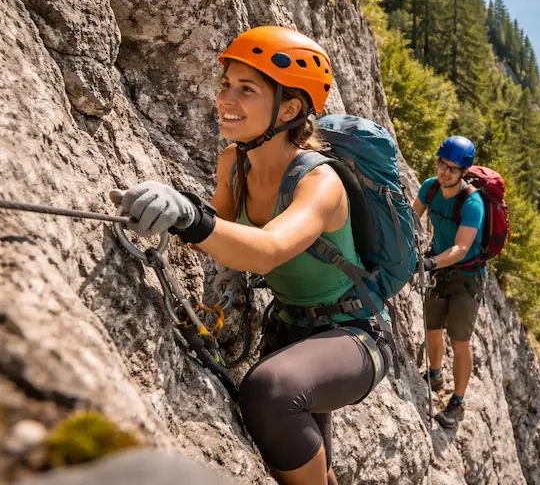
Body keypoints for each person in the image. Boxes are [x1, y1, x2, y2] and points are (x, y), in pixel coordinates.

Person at [111, 26, 391, 485]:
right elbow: (218, 234)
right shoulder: (232, 164)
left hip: (354, 334)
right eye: (226, 85)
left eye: (246, 89)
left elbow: (268, 250)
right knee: (316, 464)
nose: (226, 98)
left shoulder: (319, 183)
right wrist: (177, 209)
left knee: (269, 391)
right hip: (290, 332)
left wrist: (189, 219)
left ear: (290, 108)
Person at [413, 136, 486, 428]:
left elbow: (461, 249)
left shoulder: (472, 203)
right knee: (432, 328)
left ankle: (457, 401)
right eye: (442, 163)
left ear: (463, 172)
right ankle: (434, 373)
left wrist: (429, 262)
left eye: (453, 169)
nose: (445, 172)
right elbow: (411, 214)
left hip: (466, 278)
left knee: (460, 340)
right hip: (440, 271)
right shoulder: (430, 187)